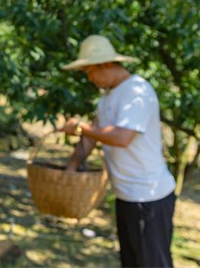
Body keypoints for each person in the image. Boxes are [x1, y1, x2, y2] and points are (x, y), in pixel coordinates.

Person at [59, 35, 176, 268]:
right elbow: (92, 137)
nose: (90, 79)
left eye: (90, 72)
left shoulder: (137, 91)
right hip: (126, 196)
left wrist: (82, 127)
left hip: (148, 197)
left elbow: (122, 137)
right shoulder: (106, 98)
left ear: (105, 64)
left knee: (151, 262)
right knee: (131, 261)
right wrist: (71, 168)